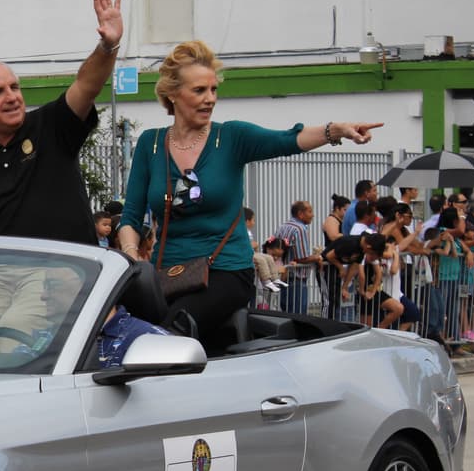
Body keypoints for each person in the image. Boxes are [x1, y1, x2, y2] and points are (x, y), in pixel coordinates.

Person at [115, 40, 380, 339]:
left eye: (214, 90)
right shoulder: (150, 144)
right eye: (199, 90)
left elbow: (287, 139)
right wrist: (132, 254)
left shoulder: (231, 137)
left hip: (226, 272)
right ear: (173, 95)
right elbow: (131, 217)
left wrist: (337, 130)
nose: (210, 99)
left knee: (170, 330)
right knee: (121, 330)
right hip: (168, 275)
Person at [0, 0, 121, 244]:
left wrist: (108, 46)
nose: (12, 97)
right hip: (2, 273)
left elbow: (86, 86)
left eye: (14, 87)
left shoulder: (51, 124)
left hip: (69, 269)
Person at [273, 200, 321, 315]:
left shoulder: (282, 227)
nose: (313, 215)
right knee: (298, 316)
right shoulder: (300, 229)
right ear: (300, 213)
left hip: (284, 277)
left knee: (286, 314)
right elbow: (301, 258)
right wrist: (318, 257)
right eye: (310, 211)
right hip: (296, 279)